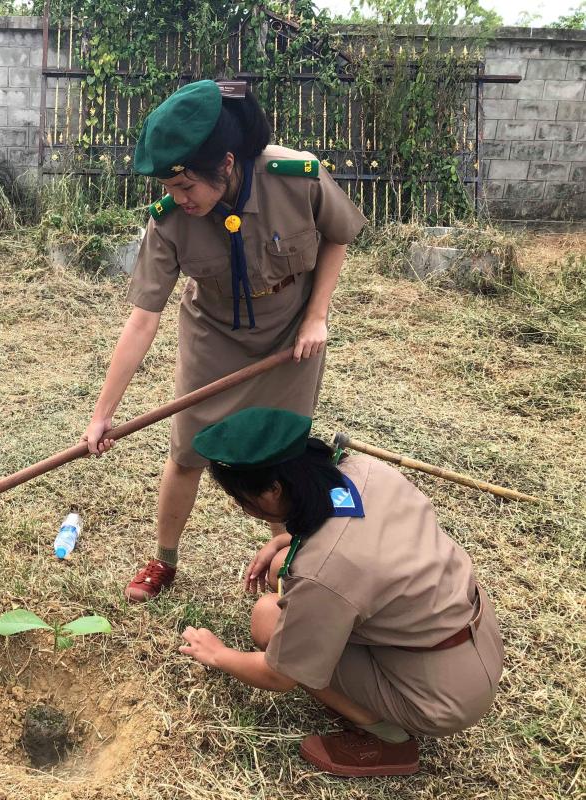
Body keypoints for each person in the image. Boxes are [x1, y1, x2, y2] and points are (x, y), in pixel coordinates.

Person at [82, 79, 368, 603]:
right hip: (213, 333)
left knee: (284, 451)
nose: (178, 199)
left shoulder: (295, 176)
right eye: (170, 189)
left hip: (290, 333)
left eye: (186, 187)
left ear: (228, 163)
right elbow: (143, 319)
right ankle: (164, 559)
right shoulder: (169, 223)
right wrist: (103, 413)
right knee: (188, 450)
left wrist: (316, 317)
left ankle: (292, 550)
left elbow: (338, 234)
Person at [178, 407, 504, 777]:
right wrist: (288, 540)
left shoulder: (325, 571)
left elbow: (279, 676)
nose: (242, 509)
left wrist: (218, 654)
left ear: (272, 492)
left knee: (268, 621)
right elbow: (361, 531)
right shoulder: (364, 470)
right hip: (472, 638)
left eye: (241, 501)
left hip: (444, 697)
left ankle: (388, 739)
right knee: (280, 567)